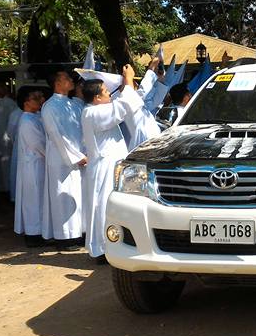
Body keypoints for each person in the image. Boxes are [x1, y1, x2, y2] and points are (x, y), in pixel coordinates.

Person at [81, 65, 142, 262]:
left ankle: (109, 245)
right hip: (104, 167)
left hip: (108, 164)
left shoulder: (95, 110)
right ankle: (102, 248)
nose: (110, 95)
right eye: (107, 92)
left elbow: (120, 105)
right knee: (103, 206)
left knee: (106, 205)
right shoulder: (94, 113)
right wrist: (128, 81)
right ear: (97, 98)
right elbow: (122, 108)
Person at [41, 70, 87, 248]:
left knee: (79, 195)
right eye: (66, 78)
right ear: (57, 83)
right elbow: (57, 135)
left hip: (80, 157)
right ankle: (63, 238)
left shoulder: (74, 104)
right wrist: (76, 157)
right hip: (62, 159)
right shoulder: (50, 106)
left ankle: (79, 232)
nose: (70, 80)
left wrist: (84, 153)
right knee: (63, 196)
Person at [13, 88, 47, 247]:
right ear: (26, 103)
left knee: (38, 199)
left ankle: (39, 232)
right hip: (33, 166)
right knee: (34, 200)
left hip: (38, 163)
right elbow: (38, 144)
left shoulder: (34, 118)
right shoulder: (26, 121)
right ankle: (34, 235)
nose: (39, 100)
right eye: (35, 98)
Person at [123, 56, 165, 149]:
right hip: (140, 152)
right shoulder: (127, 104)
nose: (136, 86)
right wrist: (152, 67)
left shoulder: (141, 105)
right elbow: (143, 91)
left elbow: (156, 100)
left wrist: (160, 78)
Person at [0, 79, 19, 196]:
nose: (5, 88)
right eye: (1, 86)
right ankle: (1, 190)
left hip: (10, 138)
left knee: (10, 163)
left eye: (5, 86)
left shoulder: (11, 102)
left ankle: (10, 188)